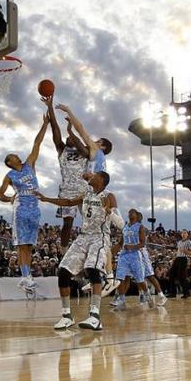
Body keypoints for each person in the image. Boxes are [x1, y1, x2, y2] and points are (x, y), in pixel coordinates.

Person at [36, 171, 121, 331]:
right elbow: (68, 202)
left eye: (94, 176)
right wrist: (46, 199)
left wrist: (109, 211)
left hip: (99, 237)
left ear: (101, 179)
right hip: (83, 237)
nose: (91, 177)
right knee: (63, 271)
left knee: (92, 269)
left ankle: (95, 317)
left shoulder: (109, 196)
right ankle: (66, 316)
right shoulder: (87, 193)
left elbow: (121, 224)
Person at [55, 103, 117, 294]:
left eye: (97, 141)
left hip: (98, 195)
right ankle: (102, 275)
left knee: (101, 235)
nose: (93, 141)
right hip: (94, 194)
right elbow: (78, 139)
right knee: (96, 236)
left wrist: (69, 111)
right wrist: (70, 130)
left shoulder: (97, 152)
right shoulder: (97, 158)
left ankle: (109, 277)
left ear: (102, 146)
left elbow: (81, 129)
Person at [0, 114, 50, 295]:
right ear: (9, 162)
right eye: (13, 156)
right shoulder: (9, 176)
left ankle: (26, 277)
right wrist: (9, 199)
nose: (17, 155)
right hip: (20, 208)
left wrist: (45, 124)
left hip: (34, 208)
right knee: (21, 246)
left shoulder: (29, 164)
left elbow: (37, 143)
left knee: (29, 246)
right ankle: (25, 276)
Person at [44, 96, 91, 251]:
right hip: (67, 191)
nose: (68, 138)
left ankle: (90, 248)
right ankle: (64, 252)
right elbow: (55, 128)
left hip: (84, 190)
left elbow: (81, 138)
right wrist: (50, 106)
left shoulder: (85, 151)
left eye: (72, 137)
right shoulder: (62, 149)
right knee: (68, 223)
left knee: (90, 221)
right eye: (67, 137)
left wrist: (71, 130)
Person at [111, 209, 150, 310]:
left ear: (136, 215)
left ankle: (147, 293)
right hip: (124, 255)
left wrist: (132, 247)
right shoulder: (125, 227)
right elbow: (121, 243)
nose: (130, 213)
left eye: (132, 212)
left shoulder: (140, 227)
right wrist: (111, 252)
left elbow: (143, 243)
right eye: (129, 212)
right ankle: (121, 301)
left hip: (135, 255)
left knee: (140, 280)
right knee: (120, 278)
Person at [137, 210, 166, 306]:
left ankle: (161, 296)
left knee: (150, 275)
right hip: (135, 253)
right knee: (138, 276)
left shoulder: (143, 228)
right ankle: (142, 296)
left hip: (142, 252)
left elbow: (141, 242)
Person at [170, 230, 191, 298]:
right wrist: (174, 258)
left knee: (181, 276)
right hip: (177, 258)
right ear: (181, 234)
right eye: (182, 233)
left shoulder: (189, 242)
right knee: (171, 275)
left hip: (183, 259)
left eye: (185, 233)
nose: (183, 234)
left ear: (187, 235)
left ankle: (186, 293)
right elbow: (178, 251)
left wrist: (185, 251)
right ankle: (173, 293)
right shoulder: (179, 242)